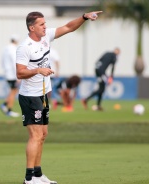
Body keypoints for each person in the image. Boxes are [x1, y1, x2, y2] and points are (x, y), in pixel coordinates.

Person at [16, 11, 102, 184]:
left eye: (45, 23)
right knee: (35, 135)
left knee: (43, 134)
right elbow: (20, 73)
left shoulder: (46, 36)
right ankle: (28, 178)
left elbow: (69, 27)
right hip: (30, 96)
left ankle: (38, 175)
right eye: (41, 24)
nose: (45, 27)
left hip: (43, 94)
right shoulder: (24, 47)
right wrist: (38, 70)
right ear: (32, 27)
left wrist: (84, 17)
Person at [0, 35, 20, 117]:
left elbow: (2, 61)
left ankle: (4, 105)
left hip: (7, 72)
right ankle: (9, 110)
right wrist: (18, 75)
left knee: (13, 90)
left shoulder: (6, 48)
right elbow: (14, 62)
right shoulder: (13, 49)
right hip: (12, 74)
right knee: (13, 91)